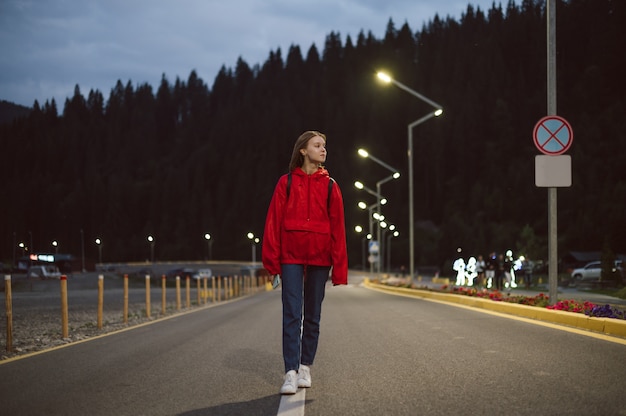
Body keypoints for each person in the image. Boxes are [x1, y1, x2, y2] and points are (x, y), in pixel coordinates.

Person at [262, 130, 348, 395]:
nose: (323, 150)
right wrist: (272, 263)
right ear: (303, 150)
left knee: (313, 316)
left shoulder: (331, 186)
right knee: (292, 314)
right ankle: (290, 372)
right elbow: (273, 223)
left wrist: (340, 268)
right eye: (317, 145)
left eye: (324, 146)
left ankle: (305, 367)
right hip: (290, 256)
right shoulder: (285, 183)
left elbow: (338, 229)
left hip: (320, 258)